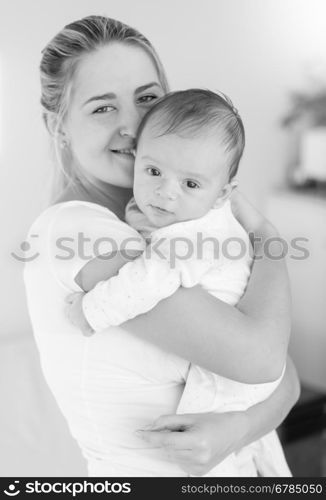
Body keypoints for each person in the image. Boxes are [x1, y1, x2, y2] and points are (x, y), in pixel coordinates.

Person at [23, 15, 299, 477]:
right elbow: (263, 357)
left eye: (147, 98)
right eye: (102, 107)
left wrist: (238, 428)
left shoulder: (173, 225)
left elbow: (286, 379)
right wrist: (269, 239)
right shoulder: (75, 233)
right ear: (59, 124)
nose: (135, 124)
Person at [66, 88, 291, 476]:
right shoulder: (201, 219)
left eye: (190, 184)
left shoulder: (190, 238)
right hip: (255, 365)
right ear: (138, 159)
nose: (165, 192)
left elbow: (145, 282)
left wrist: (90, 311)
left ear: (223, 194)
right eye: (154, 172)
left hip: (233, 383)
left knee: (197, 454)